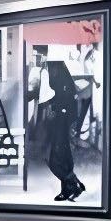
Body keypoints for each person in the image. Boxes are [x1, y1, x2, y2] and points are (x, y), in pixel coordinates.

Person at [41, 62, 85, 201]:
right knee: (61, 157)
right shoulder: (59, 83)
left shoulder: (65, 85)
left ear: (58, 68)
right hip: (59, 124)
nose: (50, 71)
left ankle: (72, 184)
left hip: (63, 125)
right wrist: (52, 106)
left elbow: (69, 106)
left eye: (52, 67)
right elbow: (59, 99)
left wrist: (56, 110)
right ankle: (71, 186)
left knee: (55, 158)